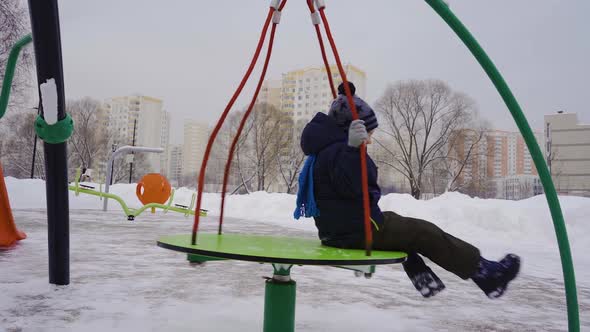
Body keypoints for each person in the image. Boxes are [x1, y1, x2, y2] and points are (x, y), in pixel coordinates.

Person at [295, 81, 520, 298]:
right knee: (423, 232)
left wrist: (352, 150)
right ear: (352, 130)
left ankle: (420, 269)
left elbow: (351, 191)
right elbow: (355, 187)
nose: (370, 141)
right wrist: (353, 150)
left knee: (403, 226)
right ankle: (485, 273)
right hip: (352, 233)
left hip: (342, 229)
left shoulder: (327, 150)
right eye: (369, 135)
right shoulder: (339, 152)